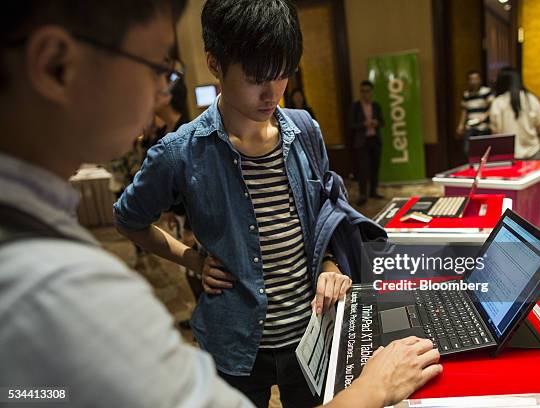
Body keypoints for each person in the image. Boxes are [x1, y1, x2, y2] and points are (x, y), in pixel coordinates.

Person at [0, 0, 441, 407]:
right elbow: (128, 218)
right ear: (215, 64)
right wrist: (192, 260)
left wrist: (328, 264)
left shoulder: (304, 130)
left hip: (310, 331)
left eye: (282, 73)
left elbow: (325, 212)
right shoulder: (179, 152)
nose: (160, 92)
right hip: (235, 342)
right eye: (156, 67)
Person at [490, 69, 540, 160]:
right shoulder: (532, 99)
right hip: (533, 151)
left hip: (508, 155)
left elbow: (495, 133)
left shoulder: (497, 103)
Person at [349, 80, 384, 206]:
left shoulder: (376, 106)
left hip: (375, 140)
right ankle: (362, 194)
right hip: (362, 142)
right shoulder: (356, 106)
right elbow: (351, 124)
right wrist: (363, 124)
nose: (365, 94)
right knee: (363, 169)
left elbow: (382, 122)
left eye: (367, 91)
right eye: (362, 91)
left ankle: (373, 191)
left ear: (371, 92)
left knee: (375, 167)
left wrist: (376, 123)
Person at [456, 70, 494, 156]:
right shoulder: (466, 94)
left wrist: (485, 116)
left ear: (480, 79)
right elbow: (464, 110)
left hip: (483, 126)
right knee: (467, 150)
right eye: (471, 79)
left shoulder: (486, 91)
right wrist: (461, 125)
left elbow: (493, 106)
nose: (474, 81)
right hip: (470, 126)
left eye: (476, 79)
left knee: (484, 151)